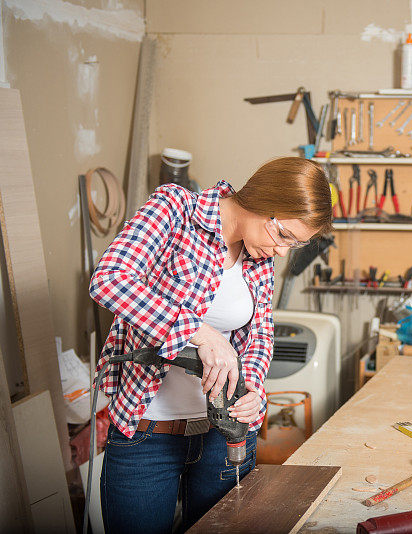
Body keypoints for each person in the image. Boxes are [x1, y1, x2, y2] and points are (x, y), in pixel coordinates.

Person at [89, 156, 332, 533]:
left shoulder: (258, 254)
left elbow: (260, 334)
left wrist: (250, 387)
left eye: (295, 245)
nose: (284, 252)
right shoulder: (174, 209)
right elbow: (109, 279)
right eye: (284, 236)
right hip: (147, 435)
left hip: (222, 437)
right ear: (262, 200)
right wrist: (199, 333)